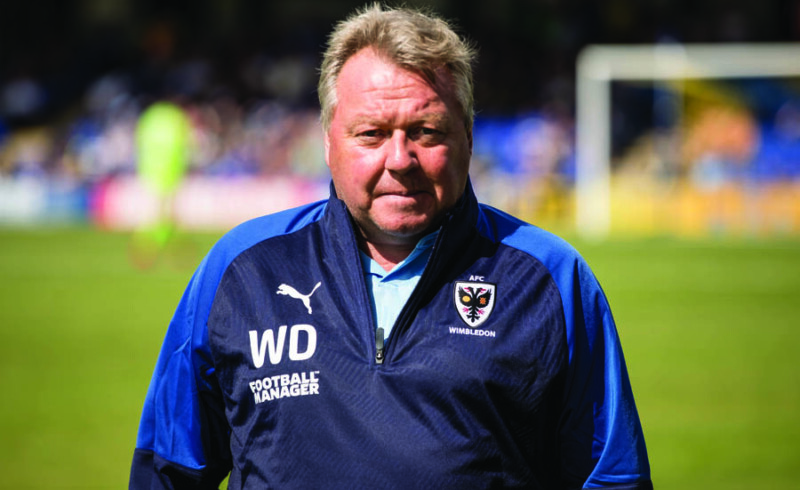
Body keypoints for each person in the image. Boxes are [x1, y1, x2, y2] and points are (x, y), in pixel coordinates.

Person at [129, 4, 652, 489]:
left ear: (468, 136)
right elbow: (167, 470)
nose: (400, 159)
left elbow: (612, 478)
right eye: (372, 134)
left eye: (426, 131)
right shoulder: (243, 269)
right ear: (328, 140)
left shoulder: (549, 279)